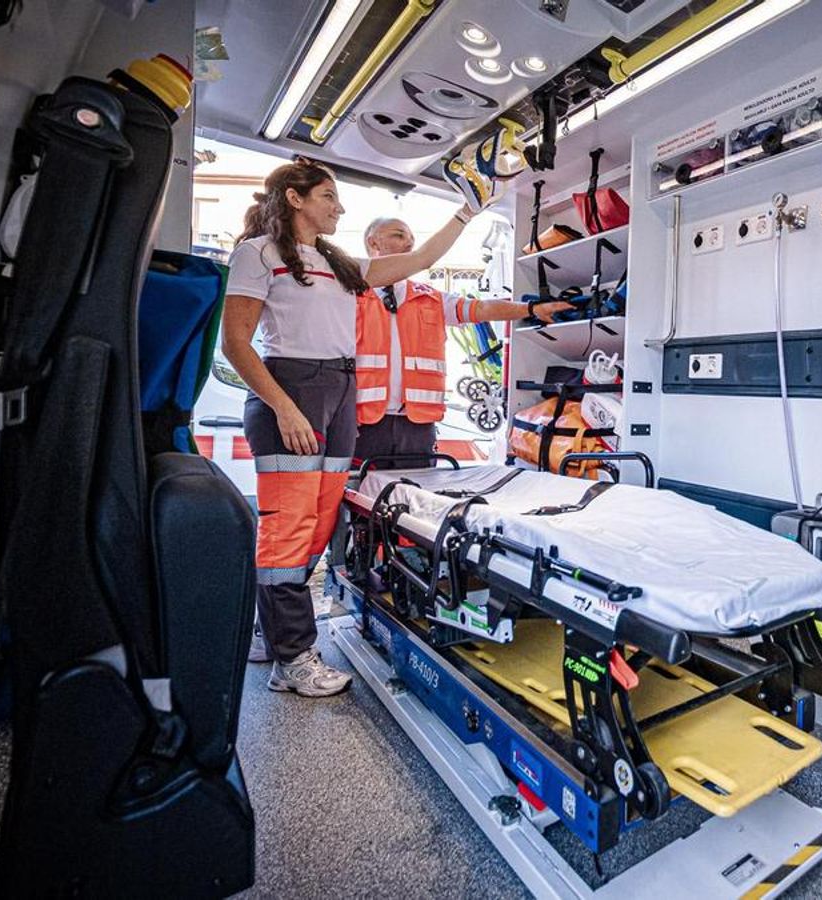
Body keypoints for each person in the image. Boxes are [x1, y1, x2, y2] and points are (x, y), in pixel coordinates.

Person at [222, 157, 479, 697]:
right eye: (328, 197)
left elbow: (421, 259)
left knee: (319, 525)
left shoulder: (338, 263)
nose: (338, 208)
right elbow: (237, 344)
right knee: (288, 526)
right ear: (295, 198)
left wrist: (467, 211)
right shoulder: (259, 253)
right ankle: (292, 657)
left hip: (341, 389)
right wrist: (283, 408)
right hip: (291, 387)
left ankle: (273, 630)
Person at [353, 217, 570, 462]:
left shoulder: (431, 299)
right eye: (398, 235)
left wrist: (530, 309)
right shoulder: (348, 297)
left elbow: (482, 309)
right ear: (373, 243)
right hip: (364, 423)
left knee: (415, 486)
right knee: (359, 486)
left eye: (412, 238)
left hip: (417, 427)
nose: (410, 243)